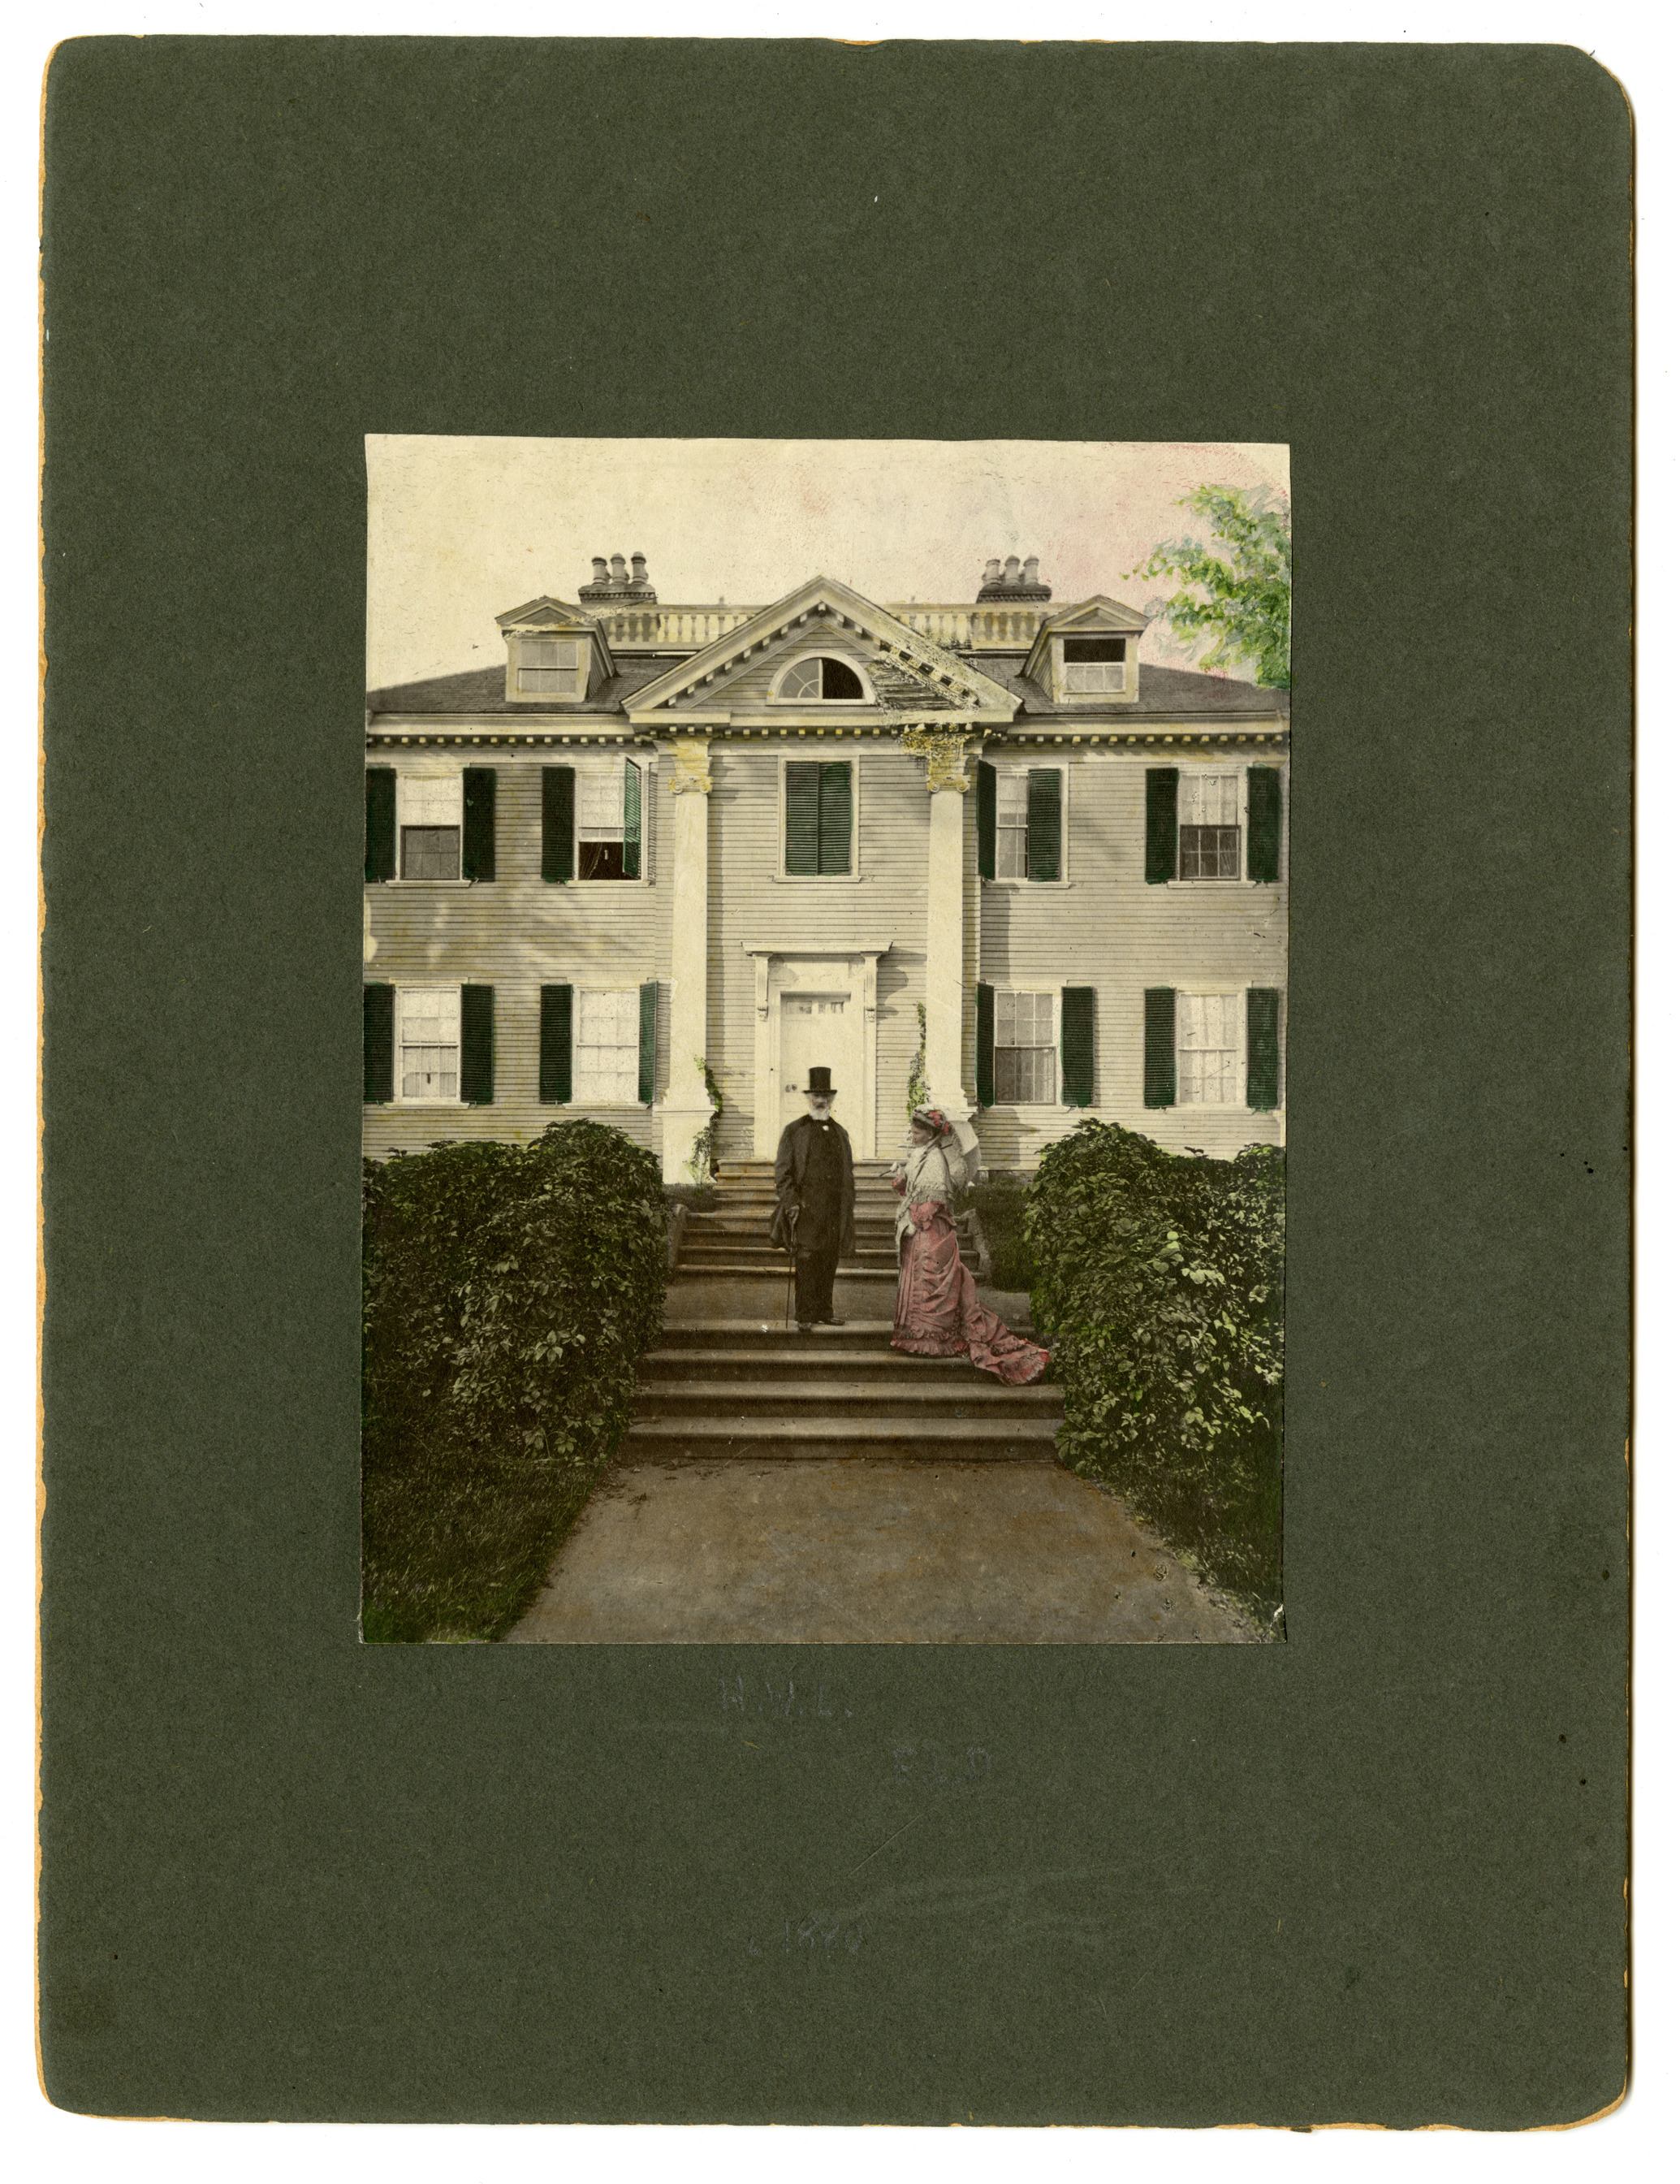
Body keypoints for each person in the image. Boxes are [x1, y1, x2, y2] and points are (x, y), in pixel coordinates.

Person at [889, 1106, 1051, 1383]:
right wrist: (902, 1173)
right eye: (912, 1131)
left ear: (930, 1134)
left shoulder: (938, 1158)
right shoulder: (920, 1154)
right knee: (920, 1278)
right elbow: (912, 1189)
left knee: (931, 1277)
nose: (911, 1134)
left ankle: (935, 1339)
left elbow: (937, 1197)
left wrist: (916, 1210)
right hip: (918, 1229)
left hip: (932, 1229)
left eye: (916, 1131)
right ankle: (917, 1337)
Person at [773, 1066, 855, 1332]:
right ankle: (805, 1314)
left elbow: (847, 1175)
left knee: (829, 1260)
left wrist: (847, 1206)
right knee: (807, 1262)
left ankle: (825, 1311)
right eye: (817, 1096)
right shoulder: (794, 1131)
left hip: (833, 1210)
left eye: (826, 1096)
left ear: (831, 1099)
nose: (821, 1101)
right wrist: (791, 1202)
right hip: (806, 1208)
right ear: (809, 1098)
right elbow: (783, 1172)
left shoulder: (840, 1133)